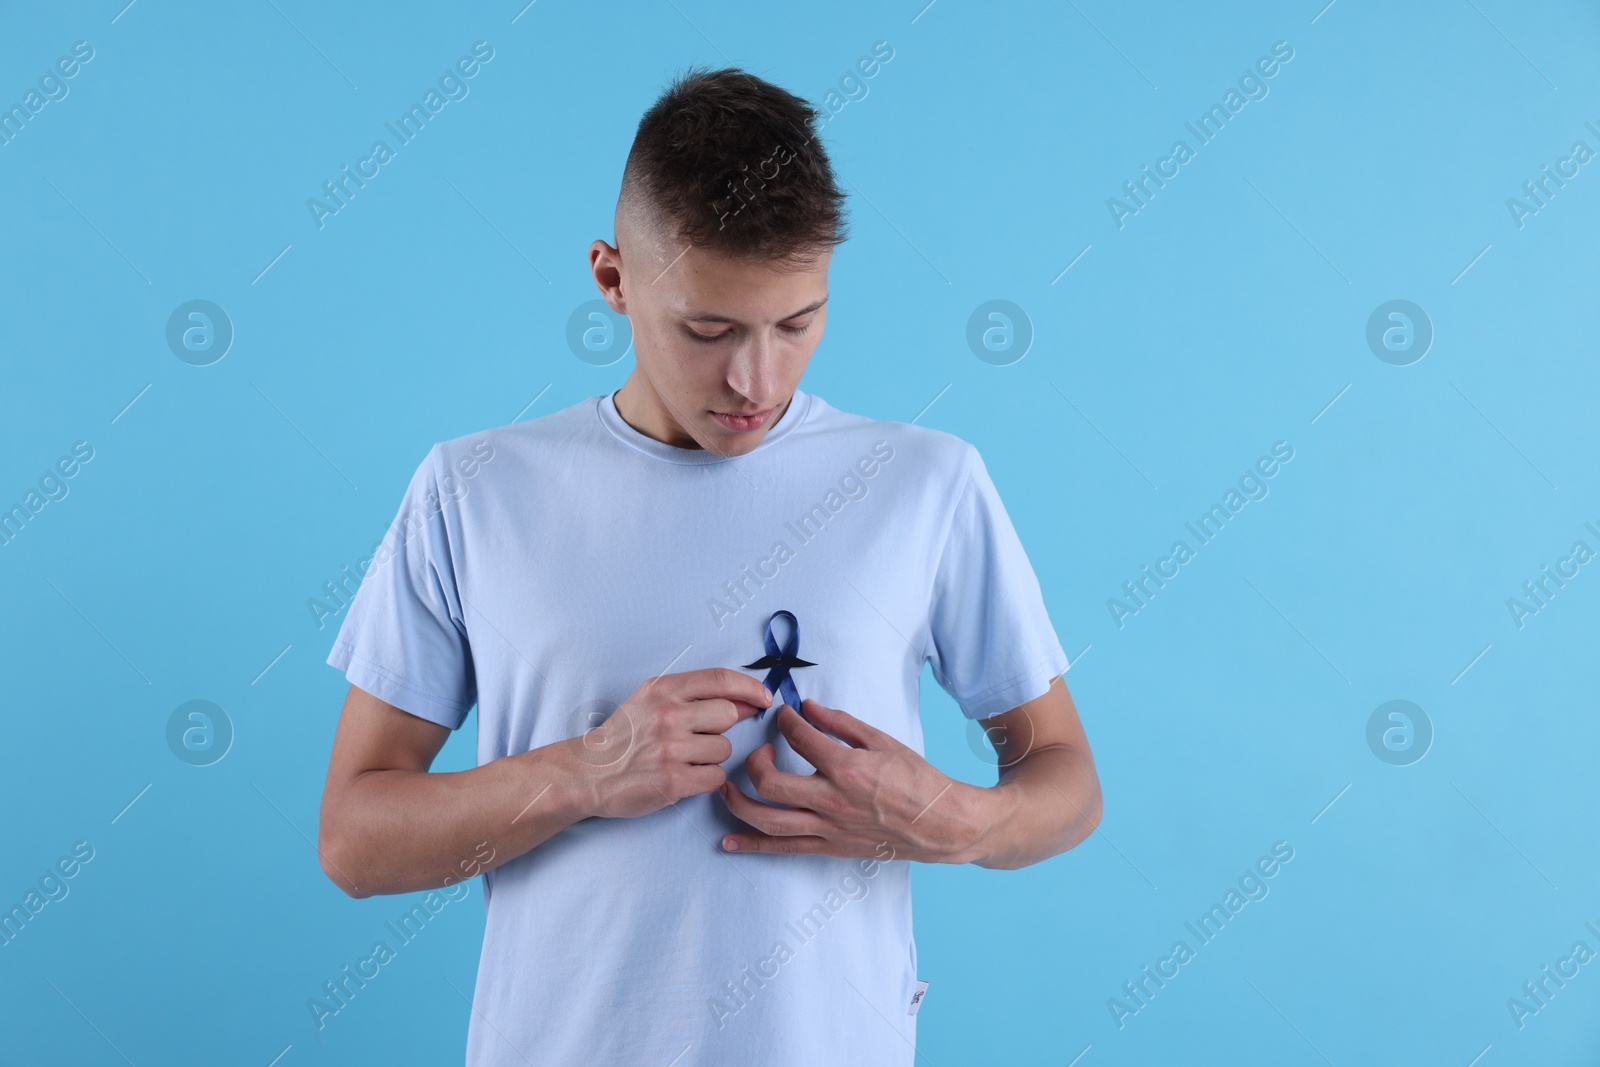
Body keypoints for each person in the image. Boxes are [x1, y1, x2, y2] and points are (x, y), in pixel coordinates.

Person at [317, 64, 1102, 1066]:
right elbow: (354, 837)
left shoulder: (922, 484)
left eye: (795, 323)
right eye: (708, 329)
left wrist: (955, 820)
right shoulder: (472, 489)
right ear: (611, 278)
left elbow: (1066, 776)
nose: (755, 380)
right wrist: (583, 773)